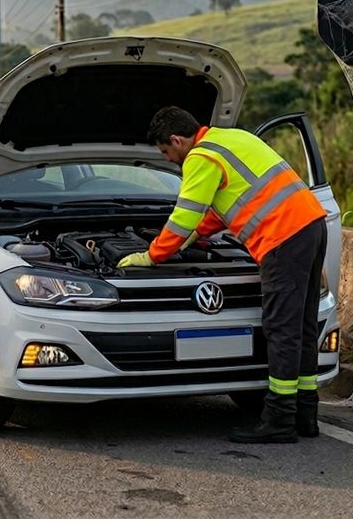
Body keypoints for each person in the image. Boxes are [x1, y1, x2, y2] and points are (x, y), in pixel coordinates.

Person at [118, 106, 328, 444]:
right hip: (312, 227)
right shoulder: (231, 139)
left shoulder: (200, 157)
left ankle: (279, 420)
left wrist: (151, 255)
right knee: (301, 326)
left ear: (175, 140)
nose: (170, 160)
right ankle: (306, 415)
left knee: (281, 329)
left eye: (166, 152)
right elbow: (218, 210)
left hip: (283, 237)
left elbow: (184, 217)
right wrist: (195, 237)